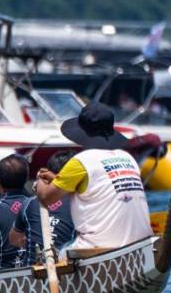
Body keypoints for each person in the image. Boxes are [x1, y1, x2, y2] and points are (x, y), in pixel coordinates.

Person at [36, 106, 151, 252]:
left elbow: (46, 198)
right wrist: (56, 179)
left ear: (82, 133)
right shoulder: (128, 158)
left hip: (99, 248)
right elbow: (98, 187)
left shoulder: (81, 161)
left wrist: (39, 179)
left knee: (60, 251)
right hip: (142, 245)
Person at [17, 152, 76, 261]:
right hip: (64, 267)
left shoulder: (29, 203)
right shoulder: (78, 202)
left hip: (32, 271)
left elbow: (16, 240)